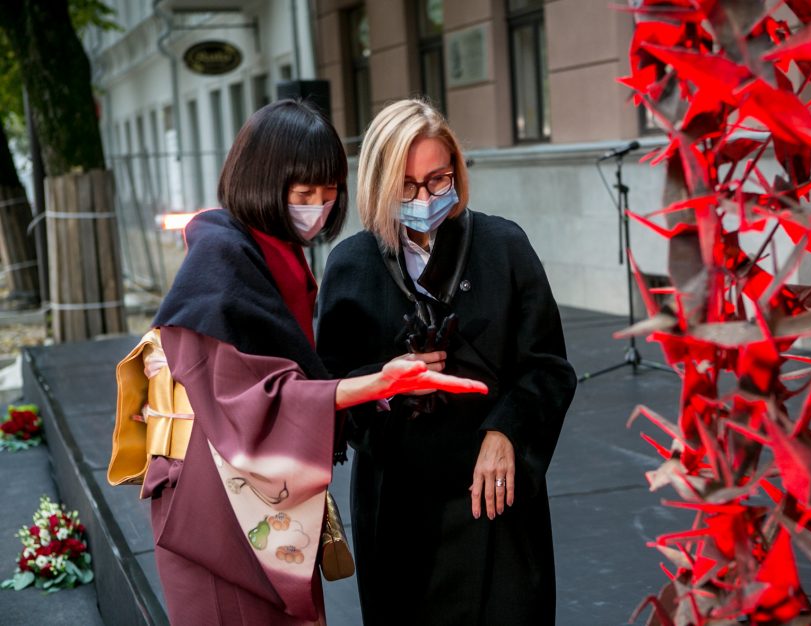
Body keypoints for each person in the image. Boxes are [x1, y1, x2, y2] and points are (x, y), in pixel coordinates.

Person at [131, 100, 487, 626]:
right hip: (218, 511)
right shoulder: (220, 260)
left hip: (253, 497)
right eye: (303, 196)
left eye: (328, 194)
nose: (318, 210)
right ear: (261, 183)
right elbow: (252, 401)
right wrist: (374, 384)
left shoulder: (272, 249)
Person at [316, 98, 577, 625]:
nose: (425, 198)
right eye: (408, 186)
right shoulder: (351, 266)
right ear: (379, 185)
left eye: (438, 180)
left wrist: (506, 431)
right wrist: (383, 386)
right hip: (399, 510)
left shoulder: (503, 246)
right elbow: (330, 392)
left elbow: (549, 367)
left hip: (496, 502)